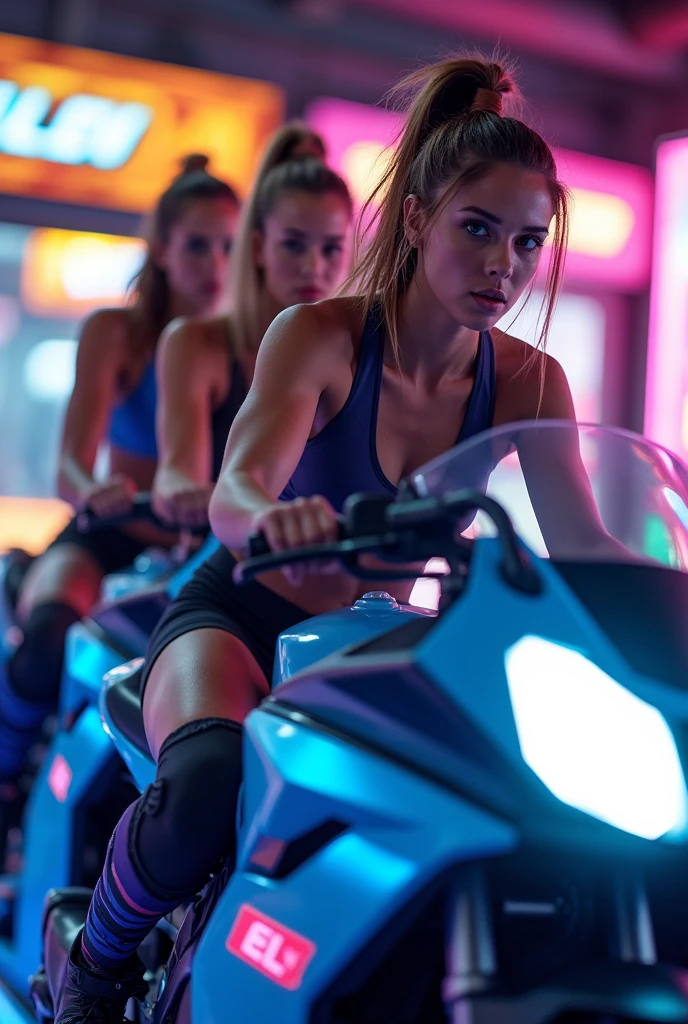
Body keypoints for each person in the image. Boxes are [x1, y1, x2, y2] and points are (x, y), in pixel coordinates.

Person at [56, 54, 575, 1021]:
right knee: (208, 779)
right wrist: (271, 515)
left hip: (383, 646)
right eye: (477, 228)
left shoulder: (537, 383)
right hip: (242, 615)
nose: (503, 264)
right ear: (416, 219)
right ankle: (94, 966)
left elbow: (594, 551)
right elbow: (235, 491)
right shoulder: (322, 336)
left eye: (527, 241)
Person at [0, 157, 239, 829]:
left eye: (228, 246)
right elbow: (69, 467)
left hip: (201, 555)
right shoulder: (116, 332)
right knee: (48, 631)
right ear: (162, 248)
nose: (214, 264)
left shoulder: (259, 342)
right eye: (197, 244)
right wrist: (96, 490)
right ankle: (6, 783)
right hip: (110, 535)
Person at [152, 124, 353, 530]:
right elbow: (178, 470)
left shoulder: (360, 353)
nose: (314, 267)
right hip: (210, 556)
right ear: (259, 247)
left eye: (331, 248)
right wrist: (179, 488)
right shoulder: (195, 342)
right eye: (294, 245)